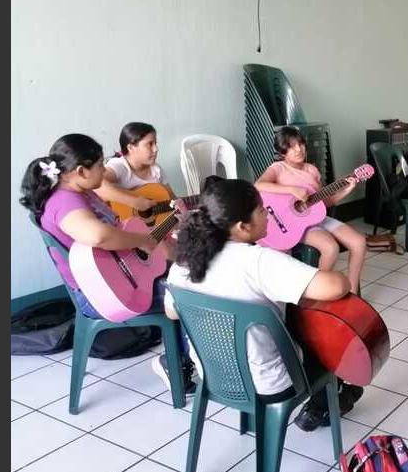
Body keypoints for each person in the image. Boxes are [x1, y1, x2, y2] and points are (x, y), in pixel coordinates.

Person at [164, 176, 364, 427]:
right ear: (242, 226)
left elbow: (171, 313)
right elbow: (337, 286)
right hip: (269, 382)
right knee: (318, 329)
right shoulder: (260, 262)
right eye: (261, 210)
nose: (268, 214)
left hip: (213, 375)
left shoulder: (185, 261)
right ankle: (325, 403)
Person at [19, 133, 196, 395]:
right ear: (80, 170)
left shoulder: (83, 192)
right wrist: (144, 240)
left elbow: (119, 233)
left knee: (182, 265)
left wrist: (160, 235)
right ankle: (175, 363)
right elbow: (98, 236)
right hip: (102, 293)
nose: (105, 170)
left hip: (121, 273)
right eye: (100, 165)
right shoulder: (64, 201)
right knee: (189, 294)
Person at [255, 126, 367, 295]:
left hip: (316, 218)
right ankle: (319, 292)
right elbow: (259, 185)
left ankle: (353, 293)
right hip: (293, 224)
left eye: (300, 144)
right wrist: (292, 190)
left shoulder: (312, 170)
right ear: (281, 152)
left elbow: (323, 203)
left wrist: (346, 190)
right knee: (330, 248)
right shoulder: (278, 168)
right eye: (291, 146)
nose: (298, 149)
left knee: (359, 242)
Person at [94, 122, 175, 213]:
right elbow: (96, 185)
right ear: (131, 148)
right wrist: (134, 202)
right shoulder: (120, 166)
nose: (156, 149)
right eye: (150, 144)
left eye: (155, 143)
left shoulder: (156, 170)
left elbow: (173, 201)